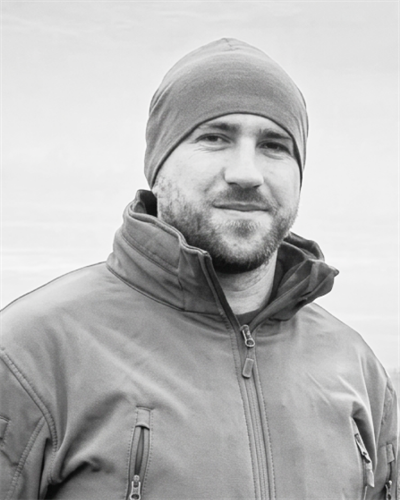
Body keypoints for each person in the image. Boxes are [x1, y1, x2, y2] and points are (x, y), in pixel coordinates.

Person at [0, 38, 398, 500]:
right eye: (214, 138)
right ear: (158, 165)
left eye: (273, 145)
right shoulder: (28, 355)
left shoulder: (357, 369)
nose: (246, 172)